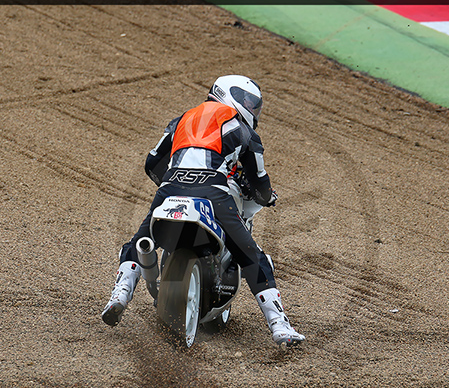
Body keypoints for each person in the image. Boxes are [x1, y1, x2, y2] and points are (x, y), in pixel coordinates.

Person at [101, 75, 305, 347]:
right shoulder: (241, 128)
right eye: (248, 101)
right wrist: (266, 197)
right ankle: (279, 326)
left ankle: (120, 294)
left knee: (140, 240)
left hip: (170, 188)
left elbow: (152, 163)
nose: (251, 108)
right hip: (214, 191)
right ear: (226, 94)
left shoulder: (182, 119)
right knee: (251, 255)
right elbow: (260, 181)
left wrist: (177, 181)